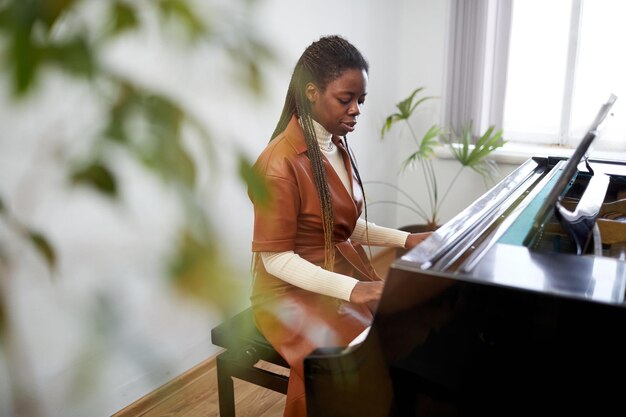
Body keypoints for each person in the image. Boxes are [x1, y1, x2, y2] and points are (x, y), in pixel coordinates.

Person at [249, 35, 431, 417]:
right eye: (345, 99)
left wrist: (406, 239)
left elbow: (345, 224)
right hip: (287, 294)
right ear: (312, 92)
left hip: (336, 272)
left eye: (360, 101)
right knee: (351, 364)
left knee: (397, 336)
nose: (355, 111)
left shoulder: (335, 143)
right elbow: (276, 259)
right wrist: (355, 289)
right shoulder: (279, 163)